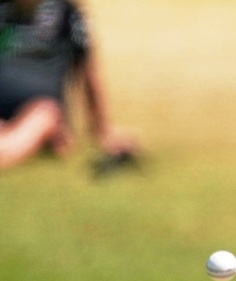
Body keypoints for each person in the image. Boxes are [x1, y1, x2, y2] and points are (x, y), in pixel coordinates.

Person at [0, 0, 137, 171]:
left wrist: (102, 129)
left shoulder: (65, 12)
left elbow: (87, 69)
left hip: (43, 110)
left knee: (42, 116)